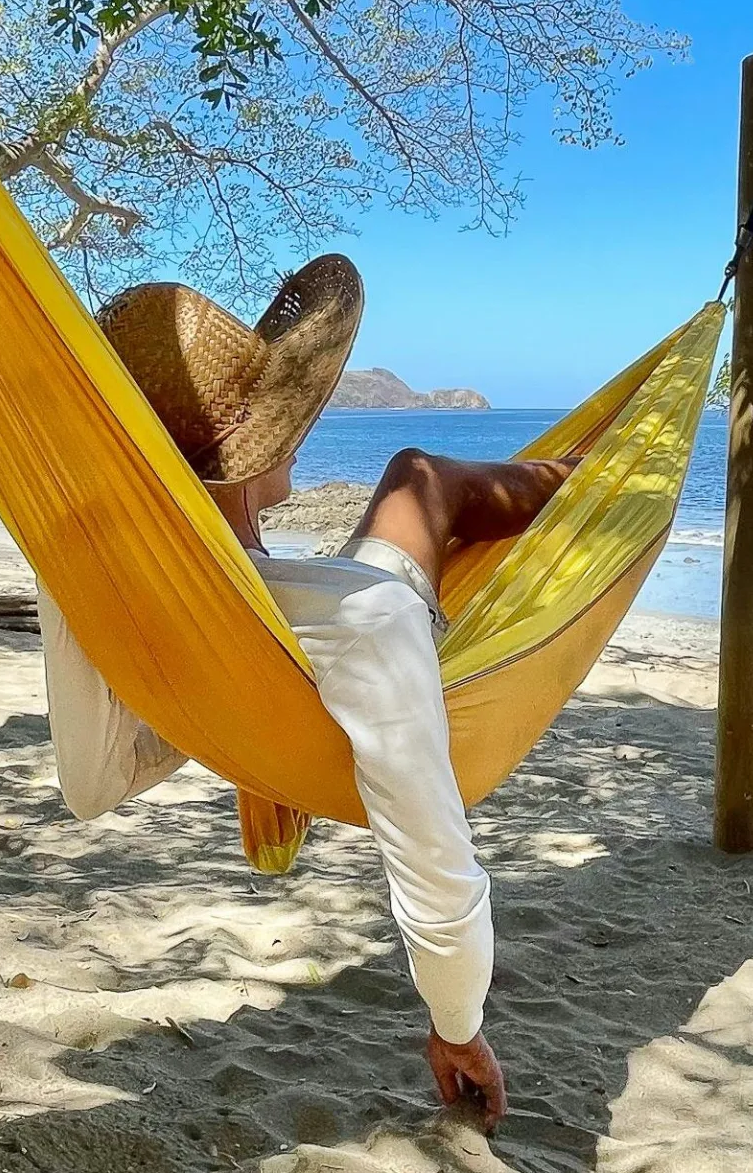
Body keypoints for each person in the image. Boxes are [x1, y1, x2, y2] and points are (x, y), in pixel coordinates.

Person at [35, 254, 578, 1131]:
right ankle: (589, 474)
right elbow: (434, 858)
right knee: (421, 477)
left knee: (412, 477)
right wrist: (456, 1026)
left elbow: (92, 786)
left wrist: (232, 723)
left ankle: (585, 463)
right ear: (267, 444)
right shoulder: (361, 619)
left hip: (275, 628)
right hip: (373, 640)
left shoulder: (92, 571)